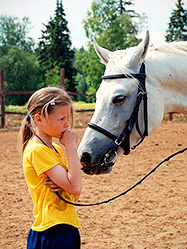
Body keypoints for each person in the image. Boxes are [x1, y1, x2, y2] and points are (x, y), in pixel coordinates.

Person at [19, 86, 82, 249]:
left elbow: (74, 194)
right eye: (61, 119)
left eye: (68, 118)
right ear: (39, 119)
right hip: (52, 231)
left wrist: (66, 184)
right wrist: (71, 147)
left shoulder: (56, 149)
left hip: (66, 226)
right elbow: (75, 187)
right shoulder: (37, 150)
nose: (67, 124)